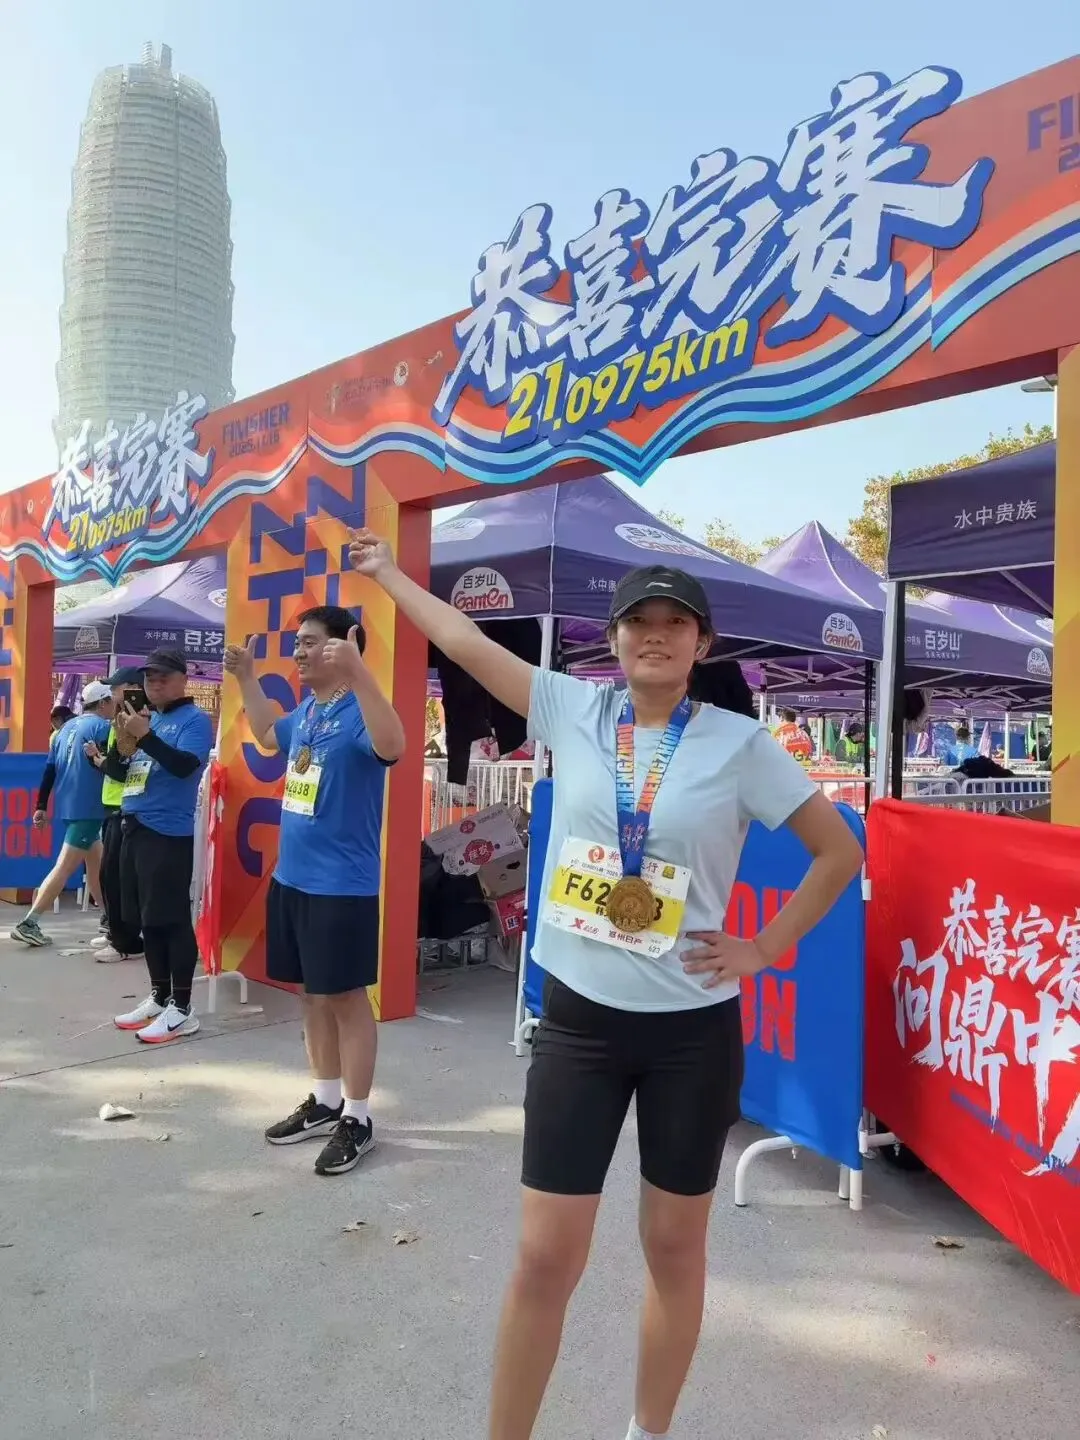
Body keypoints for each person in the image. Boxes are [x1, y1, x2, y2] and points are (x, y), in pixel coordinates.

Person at [346, 533, 864, 1440]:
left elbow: (838, 852)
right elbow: (465, 642)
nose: (655, 635)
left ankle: (646, 1432)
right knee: (546, 1256)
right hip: (580, 1025)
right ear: (614, 638)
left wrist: (763, 947)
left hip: (691, 1034)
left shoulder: (741, 744)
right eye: (638, 621)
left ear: (702, 643)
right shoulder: (572, 708)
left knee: (674, 1249)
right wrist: (388, 573)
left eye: (675, 623)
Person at [223, 605, 405, 1177]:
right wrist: (247, 677)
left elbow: (394, 745)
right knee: (310, 994)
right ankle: (325, 1101)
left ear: (343, 645)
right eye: (297, 642)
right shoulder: (309, 711)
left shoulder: (361, 710)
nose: (299, 652)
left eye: (310, 642)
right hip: (292, 879)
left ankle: (358, 1116)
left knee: (346, 998)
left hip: (340, 887)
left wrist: (361, 672)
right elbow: (267, 735)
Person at [104, 650, 213, 1044]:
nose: (155, 683)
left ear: (183, 678)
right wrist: (120, 744)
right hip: (133, 825)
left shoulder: (194, 720)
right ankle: (158, 995)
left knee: (171, 920)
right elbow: (120, 771)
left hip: (167, 832)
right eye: (149, 677)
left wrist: (146, 736)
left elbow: (185, 766)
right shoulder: (147, 718)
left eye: (164, 676)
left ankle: (181, 1008)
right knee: (147, 920)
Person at [10, 682, 113, 947]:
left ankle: (109, 918)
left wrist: (41, 805)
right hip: (89, 807)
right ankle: (29, 922)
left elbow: (49, 771)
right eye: (112, 701)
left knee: (96, 865)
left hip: (69, 805)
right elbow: (111, 765)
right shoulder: (103, 728)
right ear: (103, 703)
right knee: (65, 867)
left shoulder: (64, 729)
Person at [84, 667, 145, 964]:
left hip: (126, 805)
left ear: (132, 687)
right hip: (114, 805)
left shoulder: (134, 721)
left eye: (116, 688)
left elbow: (123, 769)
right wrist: (100, 760)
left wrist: (98, 760)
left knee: (117, 878)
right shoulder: (118, 721)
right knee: (110, 875)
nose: (112, 694)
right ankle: (116, 933)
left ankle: (125, 941)